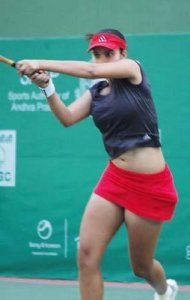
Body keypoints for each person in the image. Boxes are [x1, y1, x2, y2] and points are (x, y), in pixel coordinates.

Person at [16, 28, 178, 300]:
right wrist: (47, 87)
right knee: (87, 257)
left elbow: (90, 71)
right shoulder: (97, 93)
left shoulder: (133, 70)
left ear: (122, 53)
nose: (102, 60)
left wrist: (40, 62)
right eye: (97, 55)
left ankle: (164, 289)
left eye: (109, 54)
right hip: (115, 178)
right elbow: (67, 117)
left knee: (141, 267)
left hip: (150, 184)